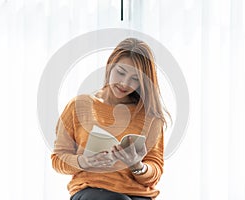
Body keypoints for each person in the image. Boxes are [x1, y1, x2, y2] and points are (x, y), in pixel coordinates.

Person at [51, 38, 170, 200]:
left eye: (135, 79)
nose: (124, 83)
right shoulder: (79, 106)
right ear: (110, 65)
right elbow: (58, 159)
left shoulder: (150, 116)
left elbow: (155, 170)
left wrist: (137, 166)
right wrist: (85, 162)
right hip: (91, 188)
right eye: (120, 72)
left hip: (138, 194)